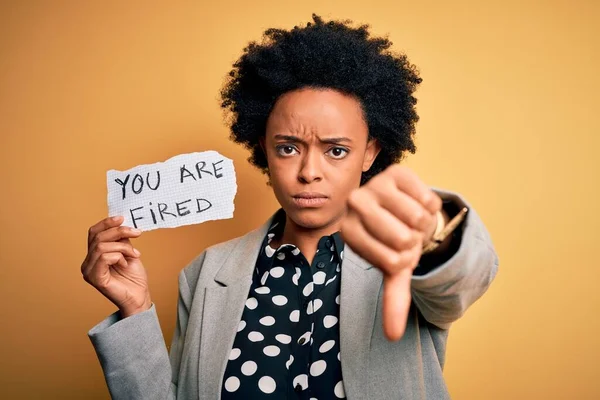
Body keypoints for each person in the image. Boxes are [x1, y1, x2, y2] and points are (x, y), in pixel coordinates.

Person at [82, 14, 499, 400]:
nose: (308, 172)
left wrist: (433, 237)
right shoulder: (207, 274)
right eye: (288, 148)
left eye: (336, 150)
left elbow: (463, 280)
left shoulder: (405, 262)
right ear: (263, 147)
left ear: (370, 153)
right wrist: (134, 308)